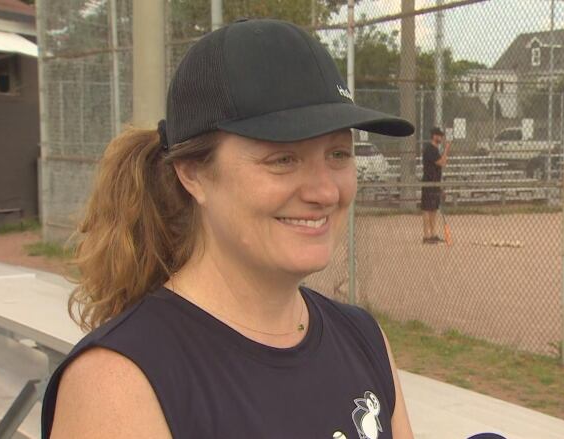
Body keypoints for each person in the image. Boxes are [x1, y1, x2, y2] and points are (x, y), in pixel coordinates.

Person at [41, 18, 416, 439]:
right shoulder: (119, 383)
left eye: (338, 154)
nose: (326, 191)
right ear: (194, 174)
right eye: (283, 159)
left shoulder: (364, 338)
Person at [421, 127, 450, 244]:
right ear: (434, 136)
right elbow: (442, 162)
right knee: (427, 209)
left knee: (434, 209)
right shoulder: (430, 149)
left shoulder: (436, 150)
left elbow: (443, 163)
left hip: (435, 182)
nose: (441, 138)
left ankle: (433, 234)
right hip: (429, 182)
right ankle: (426, 235)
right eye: (439, 135)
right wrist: (446, 150)